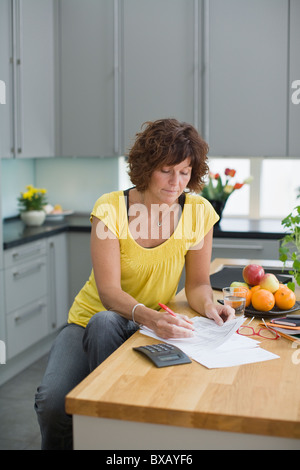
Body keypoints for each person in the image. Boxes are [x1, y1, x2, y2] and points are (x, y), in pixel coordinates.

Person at [34, 118, 235, 450]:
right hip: (93, 320)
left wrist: (210, 305)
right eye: (167, 170)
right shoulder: (109, 209)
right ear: (146, 167)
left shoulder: (198, 212)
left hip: (155, 325)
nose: (176, 182)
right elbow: (109, 293)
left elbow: (198, 284)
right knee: (53, 403)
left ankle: (110, 433)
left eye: (185, 172)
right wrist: (152, 316)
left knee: (144, 403)